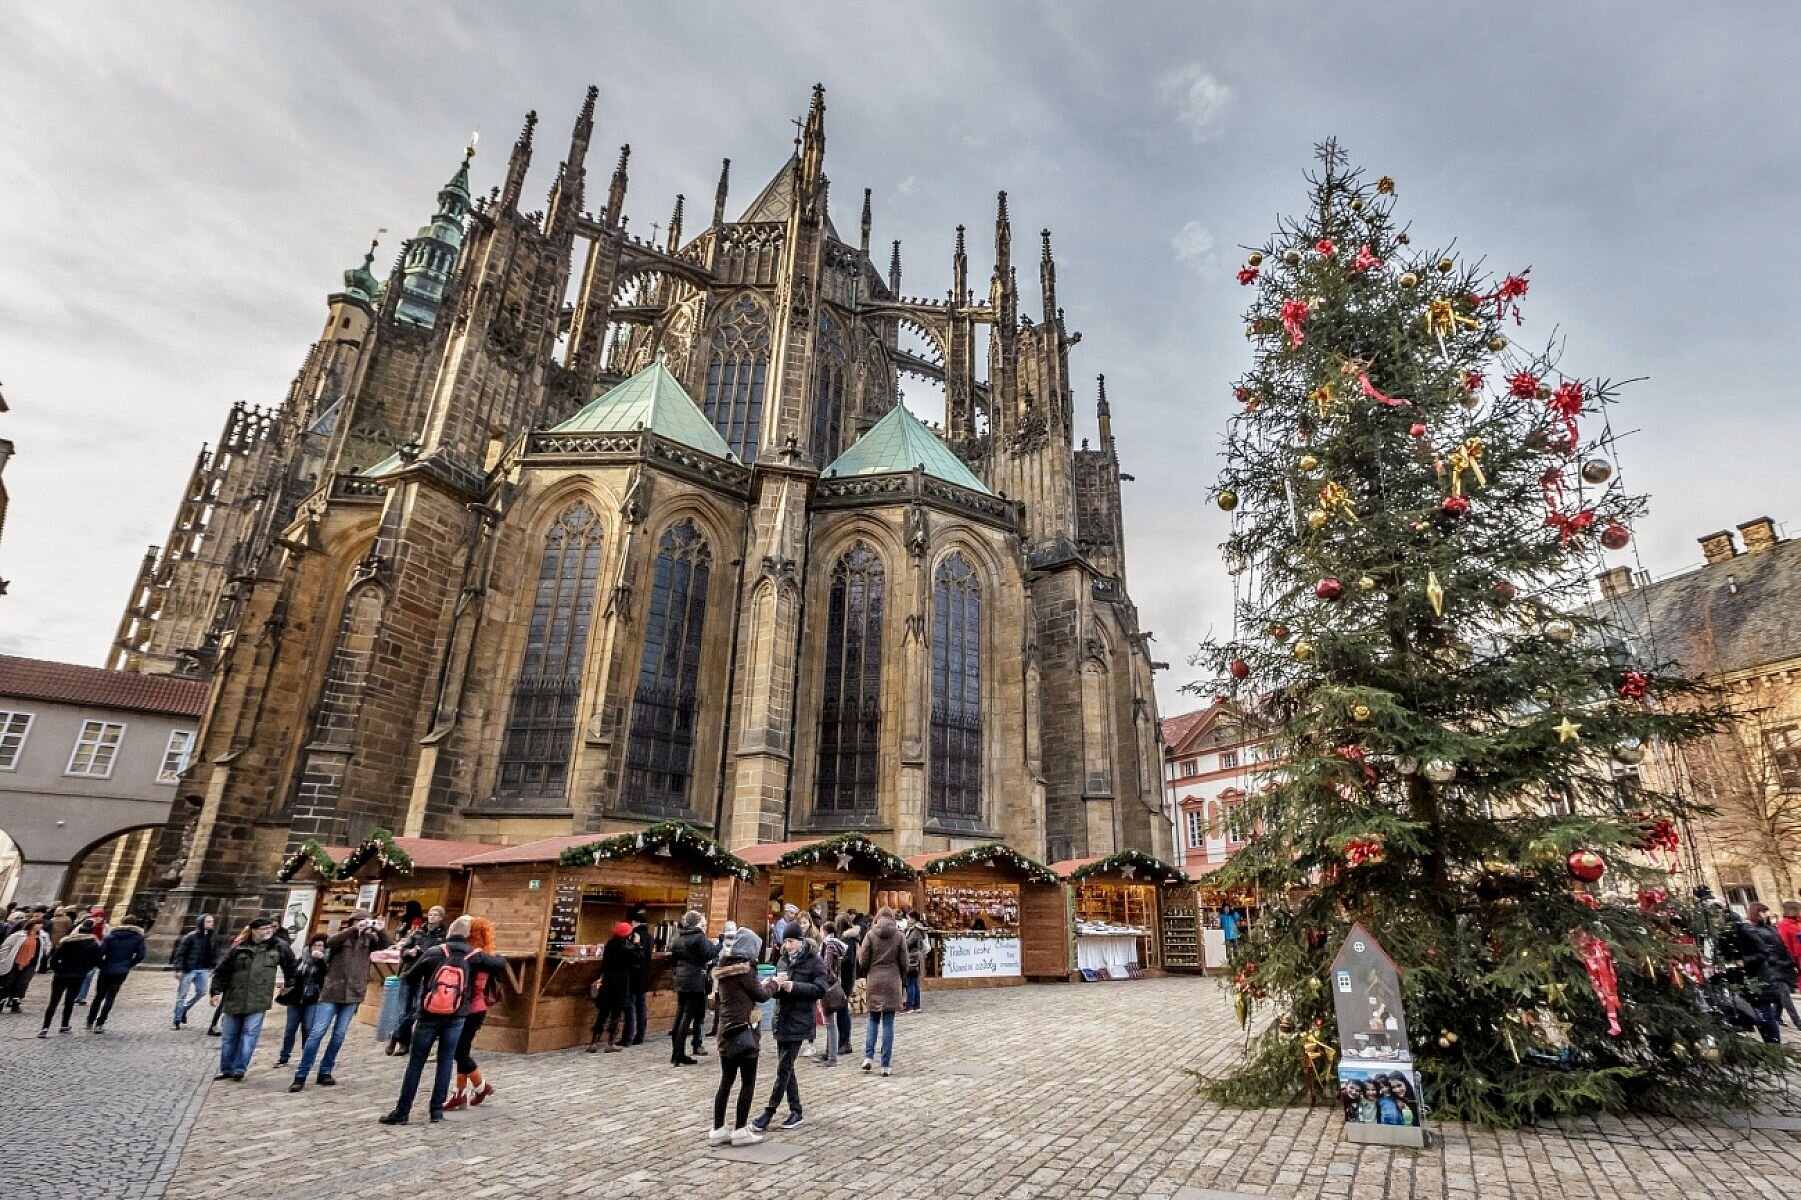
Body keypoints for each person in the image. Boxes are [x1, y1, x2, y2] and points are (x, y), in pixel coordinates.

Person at [380, 914, 504, 1125]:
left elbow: (409, 976)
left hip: (430, 1013)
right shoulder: (475, 955)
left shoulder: (435, 952)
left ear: (449, 932)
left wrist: (429, 982)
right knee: (446, 1060)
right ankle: (436, 1110)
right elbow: (500, 963)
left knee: (416, 1062)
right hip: (457, 1015)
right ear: (467, 935)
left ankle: (402, 1111)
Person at [292, 909, 390, 1090]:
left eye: (366, 920)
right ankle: (301, 1074)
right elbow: (330, 942)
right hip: (332, 991)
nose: (364, 923)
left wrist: (380, 929)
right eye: (360, 920)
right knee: (317, 1033)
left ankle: (325, 1070)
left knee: (338, 1035)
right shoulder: (343, 936)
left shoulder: (369, 940)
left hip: (353, 992)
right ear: (353, 921)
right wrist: (354, 930)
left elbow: (386, 944)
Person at [749, 927, 826, 1134]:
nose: (788, 945)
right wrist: (772, 986)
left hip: (799, 1020)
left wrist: (796, 987)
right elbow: (777, 988)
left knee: (783, 1068)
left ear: (801, 941)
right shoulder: (782, 960)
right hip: (781, 1018)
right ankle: (796, 1110)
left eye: (792, 941)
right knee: (787, 1067)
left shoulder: (814, 961)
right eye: (786, 941)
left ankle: (769, 1112)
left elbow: (820, 989)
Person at [210, 917, 299, 1079]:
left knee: (249, 1035)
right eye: (264, 928)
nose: (268, 931)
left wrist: (289, 983)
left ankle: (240, 1069)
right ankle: (226, 1068)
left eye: (270, 928)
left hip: (259, 999)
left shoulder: (279, 946)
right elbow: (222, 970)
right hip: (235, 997)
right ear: (254, 930)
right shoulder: (239, 947)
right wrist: (215, 992)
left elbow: (291, 965)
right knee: (230, 1037)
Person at [710, 927, 773, 1146]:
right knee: (748, 1082)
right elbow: (762, 995)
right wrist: (774, 983)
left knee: (726, 1081)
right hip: (744, 1032)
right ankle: (740, 1130)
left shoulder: (724, 968)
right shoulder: (745, 971)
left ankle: (718, 1128)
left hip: (726, 1032)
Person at [445, 916, 502, 1111]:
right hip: (476, 1009)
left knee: (458, 1051)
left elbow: (476, 987)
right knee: (462, 1050)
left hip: (470, 1009)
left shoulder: (473, 958)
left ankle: (481, 1086)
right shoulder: (484, 955)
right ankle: (459, 1094)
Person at [857, 907, 910, 1076]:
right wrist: (900, 976)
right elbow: (905, 962)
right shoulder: (899, 935)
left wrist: (868, 972)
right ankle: (885, 1065)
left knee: (873, 1020)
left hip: (875, 979)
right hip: (893, 980)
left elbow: (863, 959)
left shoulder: (871, 935)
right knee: (888, 1023)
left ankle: (868, 1057)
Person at [389, 905, 447, 1055]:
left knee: (416, 1010)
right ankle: (402, 1042)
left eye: (435, 915)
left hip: (426, 977)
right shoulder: (418, 932)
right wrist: (410, 951)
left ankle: (396, 1037)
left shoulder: (443, 937)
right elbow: (403, 951)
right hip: (408, 973)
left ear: (441, 918)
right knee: (402, 1009)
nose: (431, 917)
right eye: (430, 914)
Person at [276, 933, 330, 1072]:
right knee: (290, 1028)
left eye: (321, 946)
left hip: (312, 999)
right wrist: (286, 985)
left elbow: (325, 977)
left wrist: (321, 961)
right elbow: (292, 974)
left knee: (308, 1028)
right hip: (296, 998)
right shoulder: (302, 960)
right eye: (315, 945)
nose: (317, 948)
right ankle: (284, 1057)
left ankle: (307, 1057)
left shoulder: (326, 963)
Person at [39, 919, 102, 1037]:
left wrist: (58, 969)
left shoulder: (67, 943)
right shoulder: (93, 945)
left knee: (53, 1002)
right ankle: (64, 1025)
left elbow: (54, 959)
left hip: (61, 975)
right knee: (69, 1001)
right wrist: (84, 970)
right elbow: (96, 961)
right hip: (77, 976)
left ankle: (45, 1027)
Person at [1746, 902, 1800, 1035]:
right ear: (1756, 913)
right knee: (1784, 993)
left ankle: (1776, 1017)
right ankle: (1797, 1021)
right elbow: (1763, 950)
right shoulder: (1754, 930)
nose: (1766, 914)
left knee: (1779, 996)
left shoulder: (1770, 928)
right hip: (1773, 967)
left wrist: (1789, 960)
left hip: (1783, 964)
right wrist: (1775, 961)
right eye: (1763, 912)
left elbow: (1781, 943)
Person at [668, 910, 714, 1066]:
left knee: (680, 1014)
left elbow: (673, 959)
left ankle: (676, 1052)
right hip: (694, 980)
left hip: (680, 980)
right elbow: (709, 954)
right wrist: (720, 944)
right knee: (687, 1017)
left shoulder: (677, 936)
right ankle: (678, 1054)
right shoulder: (698, 937)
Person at [88, 917, 147, 1032]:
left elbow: (100, 952)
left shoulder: (111, 936)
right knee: (110, 997)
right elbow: (141, 955)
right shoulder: (138, 938)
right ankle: (100, 1023)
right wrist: (129, 964)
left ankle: (90, 1020)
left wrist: (101, 964)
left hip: (106, 968)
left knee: (99, 996)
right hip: (122, 969)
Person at [587, 921, 636, 1053]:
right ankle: (610, 1043)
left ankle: (593, 1043)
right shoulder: (628, 949)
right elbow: (636, 962)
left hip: (607, 981)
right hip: (621, 983)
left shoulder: (609, 945)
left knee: (602, 1013)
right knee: (616, 1014)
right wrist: (637, 945)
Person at [170, 913, 219, 1030]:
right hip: (189, 969)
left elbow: (215, 953)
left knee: (201, 992)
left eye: (212, 921)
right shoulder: (190, 936)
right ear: (201, 922)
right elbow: (180, 953)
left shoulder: (212, 937)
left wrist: (213, 966)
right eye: (208, 921)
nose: (211, 923)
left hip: (203, 969)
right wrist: (179, 969)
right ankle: (176, 1020)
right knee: (182, 995)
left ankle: (184, 1010)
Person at [0, 916, 50, 1013]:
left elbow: (47, 946)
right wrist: (3, 959)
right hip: (15, 961)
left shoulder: (42, 936)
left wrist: (46, 952)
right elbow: (6, 946)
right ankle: (2, 1000)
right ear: (32, 925)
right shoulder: (18, 935)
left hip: (31, 963)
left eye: (41, 924)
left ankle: (16, 1002)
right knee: (8, 982)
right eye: (38, 924)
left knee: (22, 983)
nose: (40, 926)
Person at [818, 920, 849, 1066]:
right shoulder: (836, 944)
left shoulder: (829, 945)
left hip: (828, 987)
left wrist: (824, 981)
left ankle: (832, 1057)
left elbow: (826, 967)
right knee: (831, 1022)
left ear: (823, 930)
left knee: (830, 1023)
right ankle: (829, 1053)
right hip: (834, 984)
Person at [625, 903, 651, 1046]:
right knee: (641, 1006)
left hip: (633, 975)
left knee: (631, 1006)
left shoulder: (634, 936)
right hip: (645, 975)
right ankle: (640, 1035)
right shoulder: (649, 936)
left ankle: (629, 1035)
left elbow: (631, 955)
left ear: (635, 922)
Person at [73, 905, 107, 1006]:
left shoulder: (105, 928)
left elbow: (107, 940)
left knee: (88, 976)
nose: (99, 919)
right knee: (79, 975)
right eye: (97, 916)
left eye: (101, 917)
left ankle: (82, 997)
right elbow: (74, 936)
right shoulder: (85, 925)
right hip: (82, 953)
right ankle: (75, 994)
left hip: (95, 954)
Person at [900, 910, 929, 1013]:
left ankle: (910, 1005)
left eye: (908, 918)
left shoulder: (915, 930)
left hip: (912, 958)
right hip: (915, 958)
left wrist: (902, 937)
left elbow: (908, 943)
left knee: (910, 983)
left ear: (913, 919)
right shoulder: (915, 929)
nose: (907, 921)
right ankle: (916, 1005)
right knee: (914, 982)